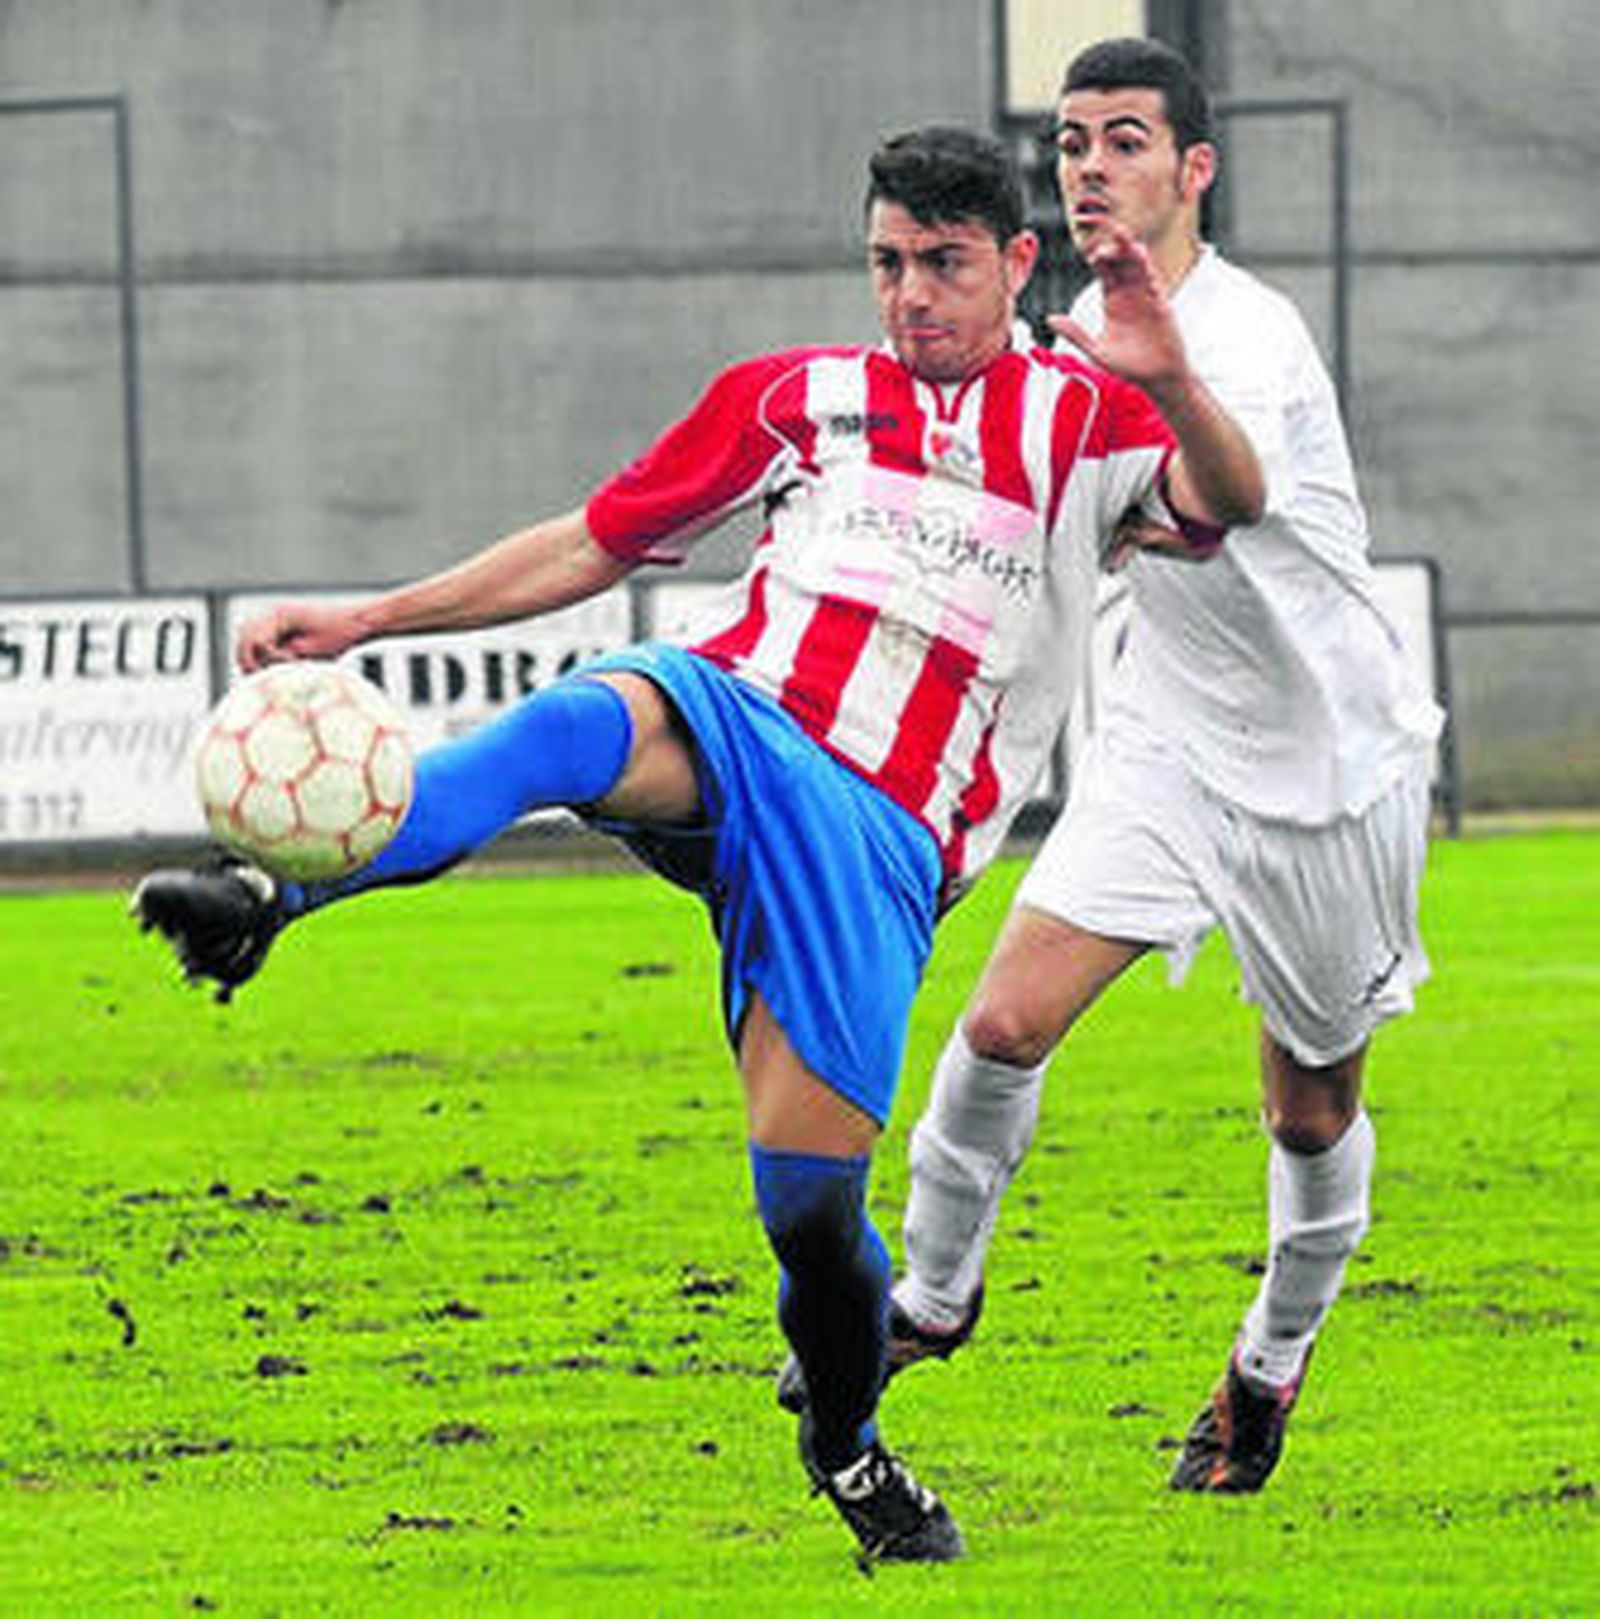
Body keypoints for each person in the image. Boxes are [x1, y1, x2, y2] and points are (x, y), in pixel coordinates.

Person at [132, 125, 1263, 1563]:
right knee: (573, 726)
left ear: (1015, 262)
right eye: (886, 264)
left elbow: (1232, 504)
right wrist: (366, 622)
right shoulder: (796, 399)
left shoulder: (1091, 423)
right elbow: (593, 542)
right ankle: (274, 892)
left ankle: (851, 1458)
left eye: (943, 265)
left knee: (811, 1224)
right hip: (735, 715)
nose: (910, 296)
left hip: (881, 833)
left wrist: (1172, 379)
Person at [862, 42, 1443, 1495]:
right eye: (1070, 143)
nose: (1089, 168)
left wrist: (1165, 388)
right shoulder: (1061, 342)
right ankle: (929, 1300)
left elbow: (1218, 500)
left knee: (1309, 1111)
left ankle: (1269, 1358)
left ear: (1194, 171)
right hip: (1168, 742)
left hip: (1327, 772)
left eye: (1125, 140)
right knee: (999, 1024)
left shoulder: (1243, 333)